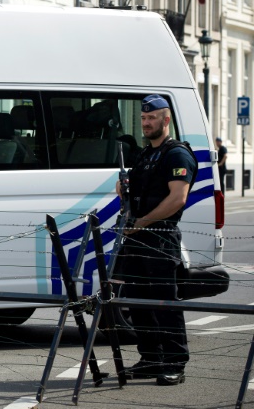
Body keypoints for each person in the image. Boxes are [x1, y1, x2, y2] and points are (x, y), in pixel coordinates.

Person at [115, 94, 198, 386]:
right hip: (136, 238)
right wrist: (122, 188)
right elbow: (133, 193)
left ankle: (175, 362)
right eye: (143, 119)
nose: (146, 123)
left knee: (165, 304)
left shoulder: (176, 154)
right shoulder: (145, 154)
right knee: (138, 303)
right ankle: (151, 358)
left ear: (166, 120)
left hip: (160, 239)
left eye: (152, 118)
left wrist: (140, 224)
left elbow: (178, 198)